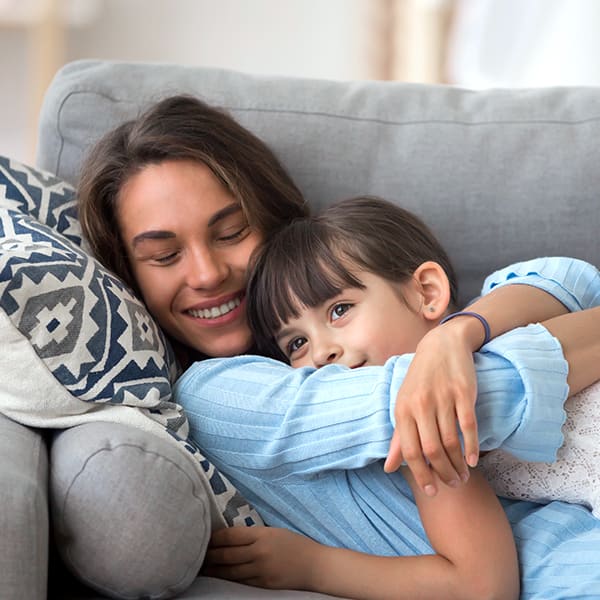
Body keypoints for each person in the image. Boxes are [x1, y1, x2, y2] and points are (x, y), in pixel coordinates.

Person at [79, 94, 600, 599]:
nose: (208, 273)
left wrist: (456, 334)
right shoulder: (216, 396)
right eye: (165, 255)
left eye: (231, 232)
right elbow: (445, 402)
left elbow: (571, 280)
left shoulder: (383, 304)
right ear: (129, 278)